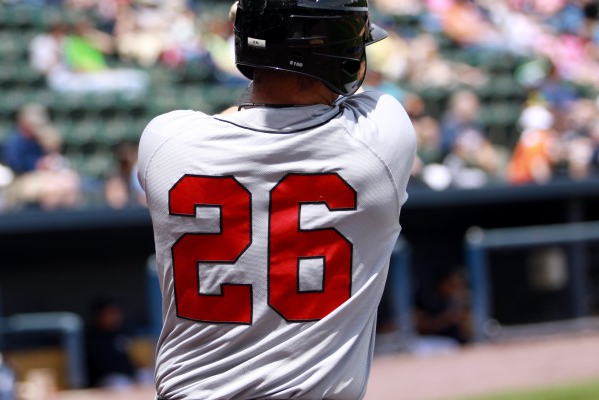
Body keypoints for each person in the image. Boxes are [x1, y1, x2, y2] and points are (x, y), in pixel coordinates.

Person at [137, 0, 417, 398]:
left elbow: (237, 119)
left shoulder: (164, 141)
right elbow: (348, 96)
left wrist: (257, 29)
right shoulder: (381, 142)